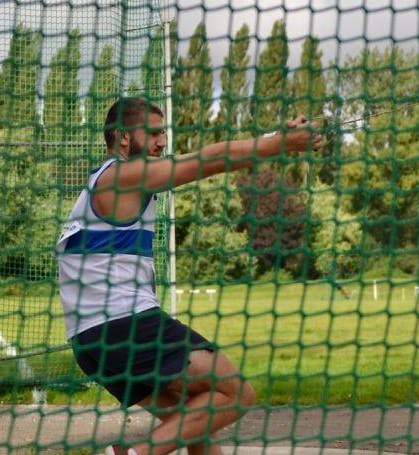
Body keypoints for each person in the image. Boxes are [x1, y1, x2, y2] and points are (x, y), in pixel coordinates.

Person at [55, 97, 322, 455]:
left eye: (162, 134)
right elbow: (208, 160)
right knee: (235, 393)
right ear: (121, 137)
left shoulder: (98, 187)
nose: (161, 142)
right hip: (124, 325)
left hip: (92, 345)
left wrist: (279, 135)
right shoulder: (121, 176)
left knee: (193, 417)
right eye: (152, 133)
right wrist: (282, 143)